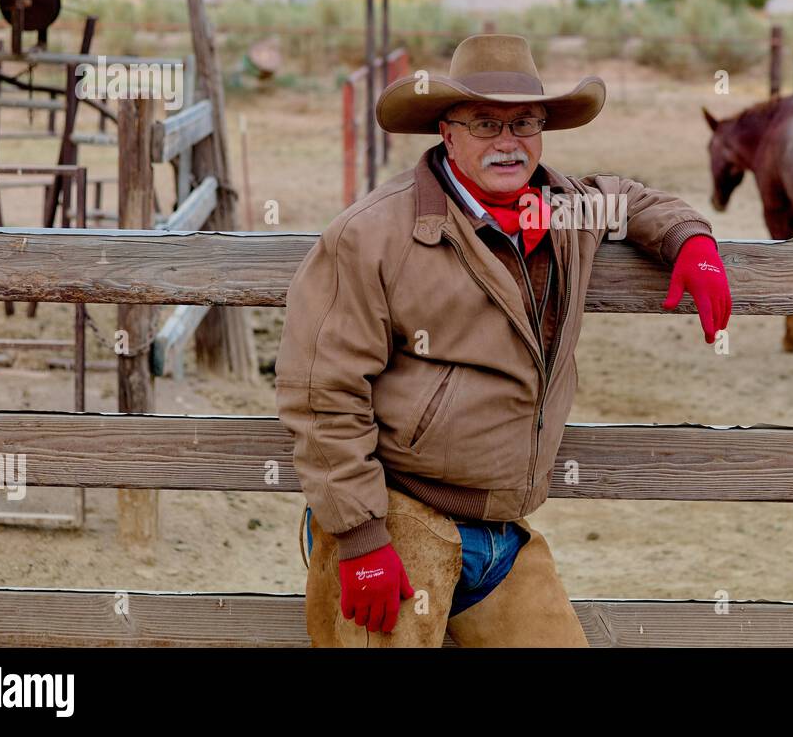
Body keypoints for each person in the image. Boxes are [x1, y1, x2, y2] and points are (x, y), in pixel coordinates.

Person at [276, 33, 731, 647]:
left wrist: (690, 242)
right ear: (448, 130)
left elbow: (628, 198)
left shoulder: (564, 210)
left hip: (499, 531)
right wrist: (361, 540)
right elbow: (322, 391)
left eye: (525, 123)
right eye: (486, 123)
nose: (508, 141)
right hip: (397, 513)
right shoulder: (373, 236)